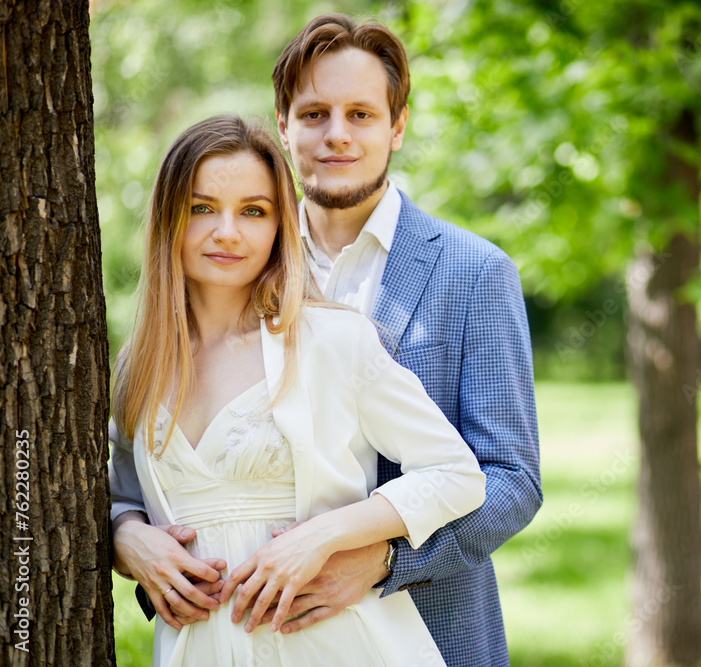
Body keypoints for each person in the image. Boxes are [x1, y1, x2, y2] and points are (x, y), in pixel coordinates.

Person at [114, 13, 543, 666]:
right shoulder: (234, 268)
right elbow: (132, 478)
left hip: (416, 628)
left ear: (397, 125)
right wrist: (127, 537)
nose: (336, 135)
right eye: (314, 114)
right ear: (283, 125)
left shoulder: (472, 273)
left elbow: (507, 479)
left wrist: (384, 560)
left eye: (361, 115)